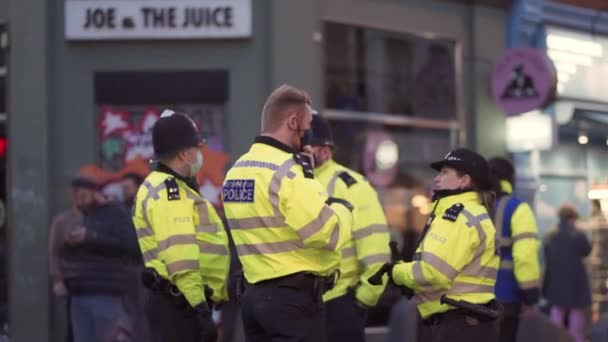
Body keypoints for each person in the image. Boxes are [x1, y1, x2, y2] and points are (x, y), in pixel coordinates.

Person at [222, 84, 354, 342]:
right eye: (306, 128)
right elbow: (325, 233)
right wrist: (342, 208)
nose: (308, 136)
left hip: (253, 299)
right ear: (292, 122)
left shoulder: (237, 170)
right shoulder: (289, 172)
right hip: (292, 302)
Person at [378, 148, 501, 342]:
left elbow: (433, 273)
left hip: (457, 324)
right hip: (469, 322)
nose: (437, 178)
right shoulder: (473, 213)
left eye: (445, 173)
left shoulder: (457, 217)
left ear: (464, 180)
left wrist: (397, 272)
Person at [132, 109, 230, 342]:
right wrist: (200, 309)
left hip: (180, 302)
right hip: (181, 306)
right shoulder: (169, 192)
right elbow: (181, 257)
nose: (200, 153)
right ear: (185, 154)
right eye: (197, 148)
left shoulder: (171, 186)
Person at [304, 113, 390, 342]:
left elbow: (376, 248)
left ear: (325, 149)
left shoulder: (350, 185)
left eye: (307, 146)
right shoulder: (292, 182)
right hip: (301, 305)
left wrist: (362, 301)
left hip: (339, 303)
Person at [57, 176, 143, 342]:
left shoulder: (116, 213)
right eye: (74, 196)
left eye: (80, 194)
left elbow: (131, 245)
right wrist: (71, 244)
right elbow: (63, 253)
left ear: (94, 193)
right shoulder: (79, 217)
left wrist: (91, 236)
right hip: (79, 292)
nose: (77, 200)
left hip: (106, 292)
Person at [488, 157, 541, 342]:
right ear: (510, 179)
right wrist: (530, 296)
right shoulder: (517, 208)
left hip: (471, 298)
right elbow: (524, 256)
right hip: (506, 295)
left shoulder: (475, 207)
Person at [543, 204, 592, 342]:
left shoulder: (550, 235)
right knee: (576, 321)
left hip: (556, 284)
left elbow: (547, 259)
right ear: (572, 218)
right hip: (576, 285)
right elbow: (586, 251)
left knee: (556, 317)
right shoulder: (579, 235)